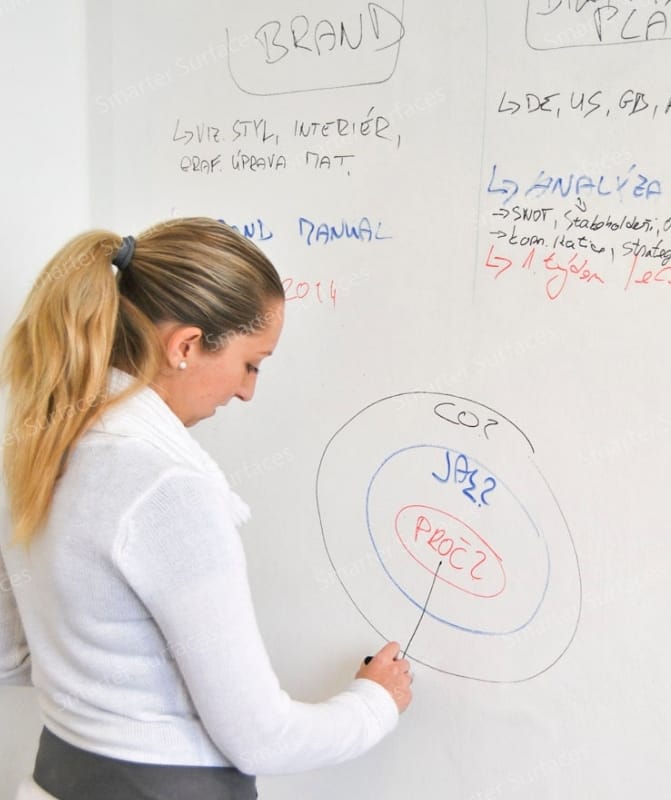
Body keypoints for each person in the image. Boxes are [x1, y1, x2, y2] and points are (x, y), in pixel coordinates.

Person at [0, 217, 412, 800]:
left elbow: (10, 655)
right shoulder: (167, 487)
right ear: (186, 346)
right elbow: (261, 738)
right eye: (252, 363)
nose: (247, 391)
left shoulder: (46, 452)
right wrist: (377, 702)